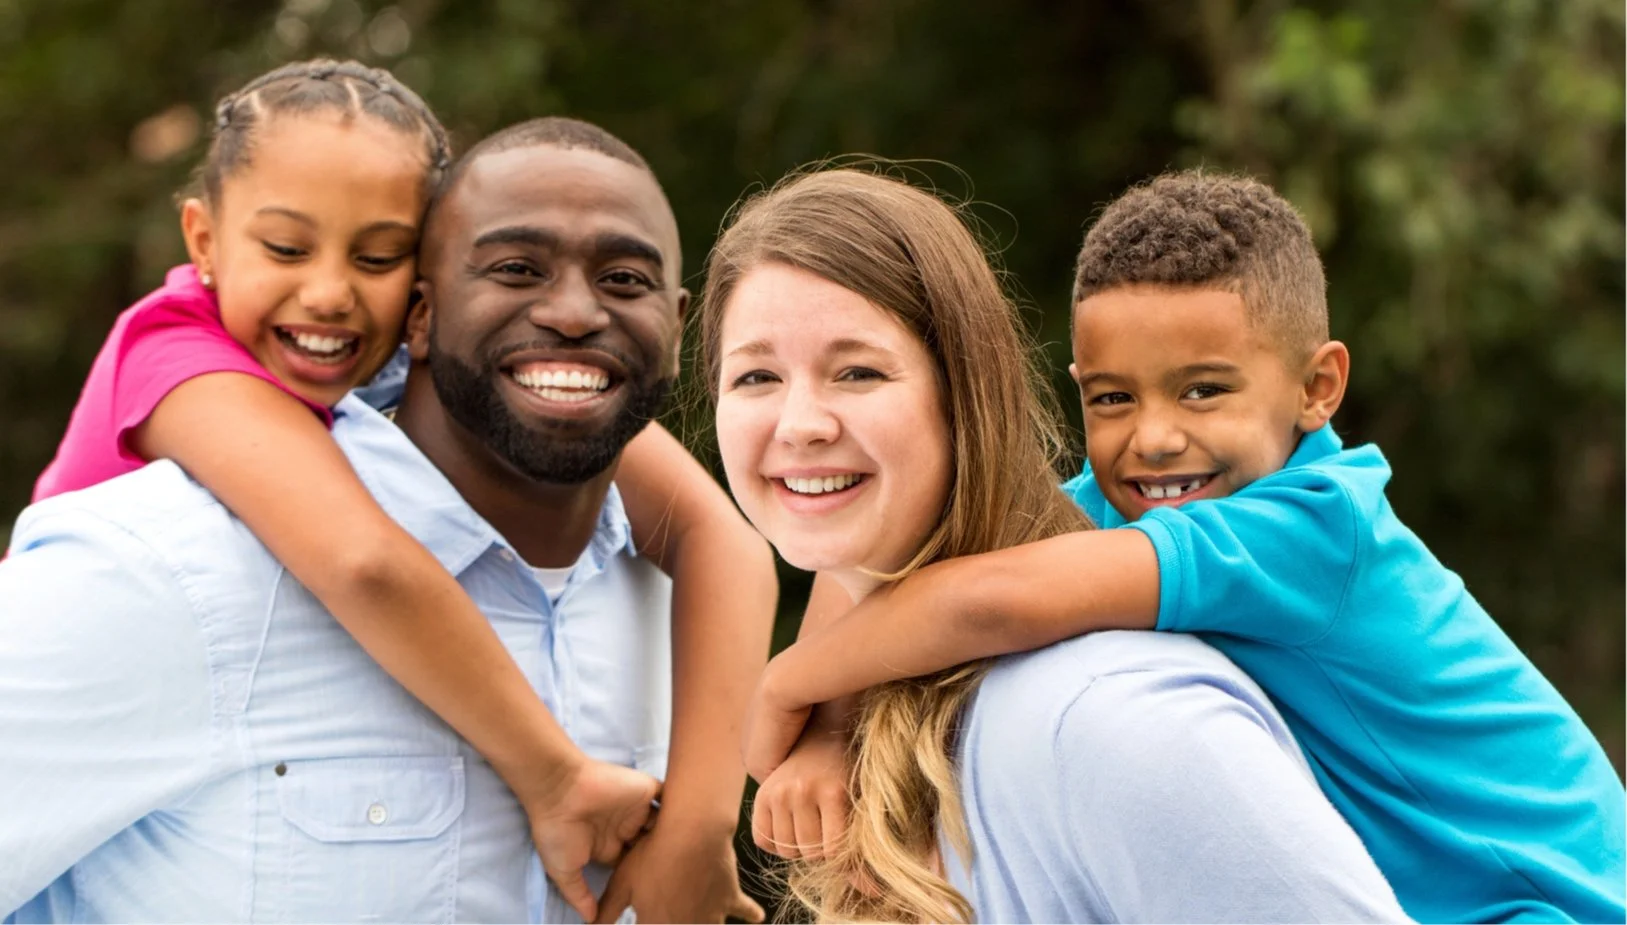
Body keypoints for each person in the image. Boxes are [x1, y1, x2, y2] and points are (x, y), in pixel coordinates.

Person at [744, 170, 1627, 923]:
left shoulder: (1313, 525)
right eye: (1113, 400)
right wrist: (828, 731)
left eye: (1201, 391)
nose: (1153, 439)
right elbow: (899, 570)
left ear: (1317, 387)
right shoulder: (1120, 508)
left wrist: (790, 683)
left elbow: (987, 600)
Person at [25, 60, 773, 922]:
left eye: (375, 255)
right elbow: (363, 559)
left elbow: (722, 538)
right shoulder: (182, 393)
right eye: (285, 247)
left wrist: (699, 822)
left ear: (415, 293)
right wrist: (553, 774)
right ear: (202, 241)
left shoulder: (532, 436)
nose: (331, 292)